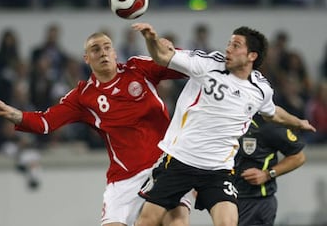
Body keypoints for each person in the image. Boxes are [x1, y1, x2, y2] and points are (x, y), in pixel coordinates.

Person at [0, 32, 190, 226]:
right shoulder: (83, 97)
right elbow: (45, 122)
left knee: (177, 222)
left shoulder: (139, 68)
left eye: (107, 47)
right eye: (95, 49)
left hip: (165, 166)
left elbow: (182, 66)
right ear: (86, 59)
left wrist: (168, 50)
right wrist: (9, 112)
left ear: (115, 52)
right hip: (124, 178)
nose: (103, 53)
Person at [131, 22, 316, 226]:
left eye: (236, 45)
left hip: (218, 169)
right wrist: (151, 39)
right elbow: (162, 57)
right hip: (180, 160)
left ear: (251, 56)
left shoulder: (261, 89)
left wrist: (298, 122)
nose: (228, 48)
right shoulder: (207, 64)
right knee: (147, 221)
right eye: (229, 43)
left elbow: (273, 114)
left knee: (228, 222)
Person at [235, 114, 306, 226]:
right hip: (226, 198)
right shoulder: (222, 121)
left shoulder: (266, 125)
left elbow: (298, 157)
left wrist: (267, 174)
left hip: (255, 200)